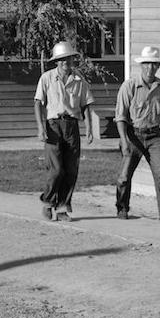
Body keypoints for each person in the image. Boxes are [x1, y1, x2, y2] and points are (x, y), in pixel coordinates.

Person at [114, 45, 160, 224]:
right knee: (124, 176)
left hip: (155, 135)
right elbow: (120, 116)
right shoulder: (129, 86)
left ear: (158, 66)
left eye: (154, 64)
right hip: (133, 135)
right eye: (147, 64)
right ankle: (122, 207)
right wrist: (123, 140)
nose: (150, 68)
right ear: (141, 65)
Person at [34, 41, 94, 222]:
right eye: (61, 59)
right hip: (53, 125)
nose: (65, 62)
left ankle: (62, 208)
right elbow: (38, 103)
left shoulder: (79, 80)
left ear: (73, 60)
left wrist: (89, 128)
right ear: (56, 61)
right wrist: (40, 127)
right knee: (56, 169)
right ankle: (48, 202)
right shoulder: (47, 78)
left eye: (68, 59)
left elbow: (86, 105)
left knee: (71, 169)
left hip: (71, 126)